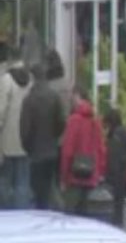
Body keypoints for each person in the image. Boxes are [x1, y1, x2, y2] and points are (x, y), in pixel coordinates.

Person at [19, 62, 65, 210]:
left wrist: (28, 148)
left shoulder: (29, 100)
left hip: (36, 153)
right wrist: (54, 137)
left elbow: (24, 129)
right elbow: (62, 122)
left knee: (37, 191)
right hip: (52, 150)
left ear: (33, 77)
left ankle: (42, 216)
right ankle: (55, 213)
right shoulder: (54, 96)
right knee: (50, 186)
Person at [60, 87, 106, 215]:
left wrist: (63, 177)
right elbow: (101, 148)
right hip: (91, 174)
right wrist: (100, 171)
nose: (71, 99)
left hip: (74, 175)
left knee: (70, 215)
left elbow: (67, 151)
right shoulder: (94, 120)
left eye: (73, 96)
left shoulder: (73, 120)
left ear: (78, 96)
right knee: (86, 217)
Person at [0, 50, 32, 208]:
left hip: (7, 139)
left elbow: (1, 110)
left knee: (5, 181)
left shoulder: (6, 80)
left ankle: (6, 216)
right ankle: (22, 214)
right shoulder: (30, 80)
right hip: (25, 140)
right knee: (23, 183)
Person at [104, 109, 126, 226]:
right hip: (123, 175)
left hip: (115, 177)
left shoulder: (115, 137)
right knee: (121, 205)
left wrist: (107, 176)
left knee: (115, 207)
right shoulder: (125, 134)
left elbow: (113, 160)